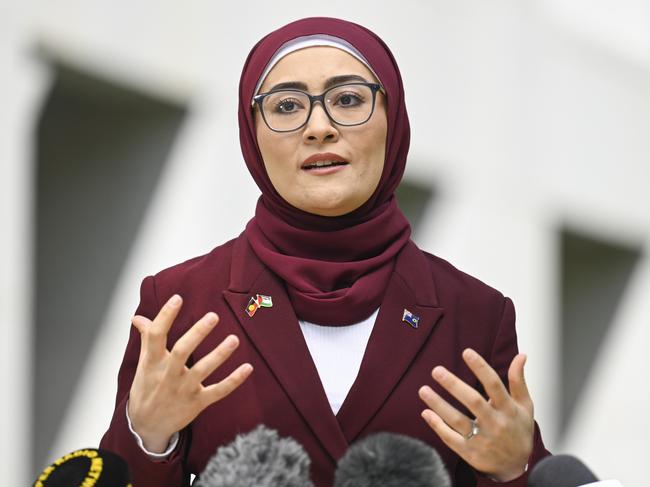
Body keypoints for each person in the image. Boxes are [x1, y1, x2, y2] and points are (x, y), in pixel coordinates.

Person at [100, 17, 549, 487]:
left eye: (348, 99)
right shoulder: (181, 303)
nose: (319, 128)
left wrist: (513, 470)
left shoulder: (474, 313)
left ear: (393, 120)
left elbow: (523, 468)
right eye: (287, 105)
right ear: (251, 134)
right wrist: (149, 438)